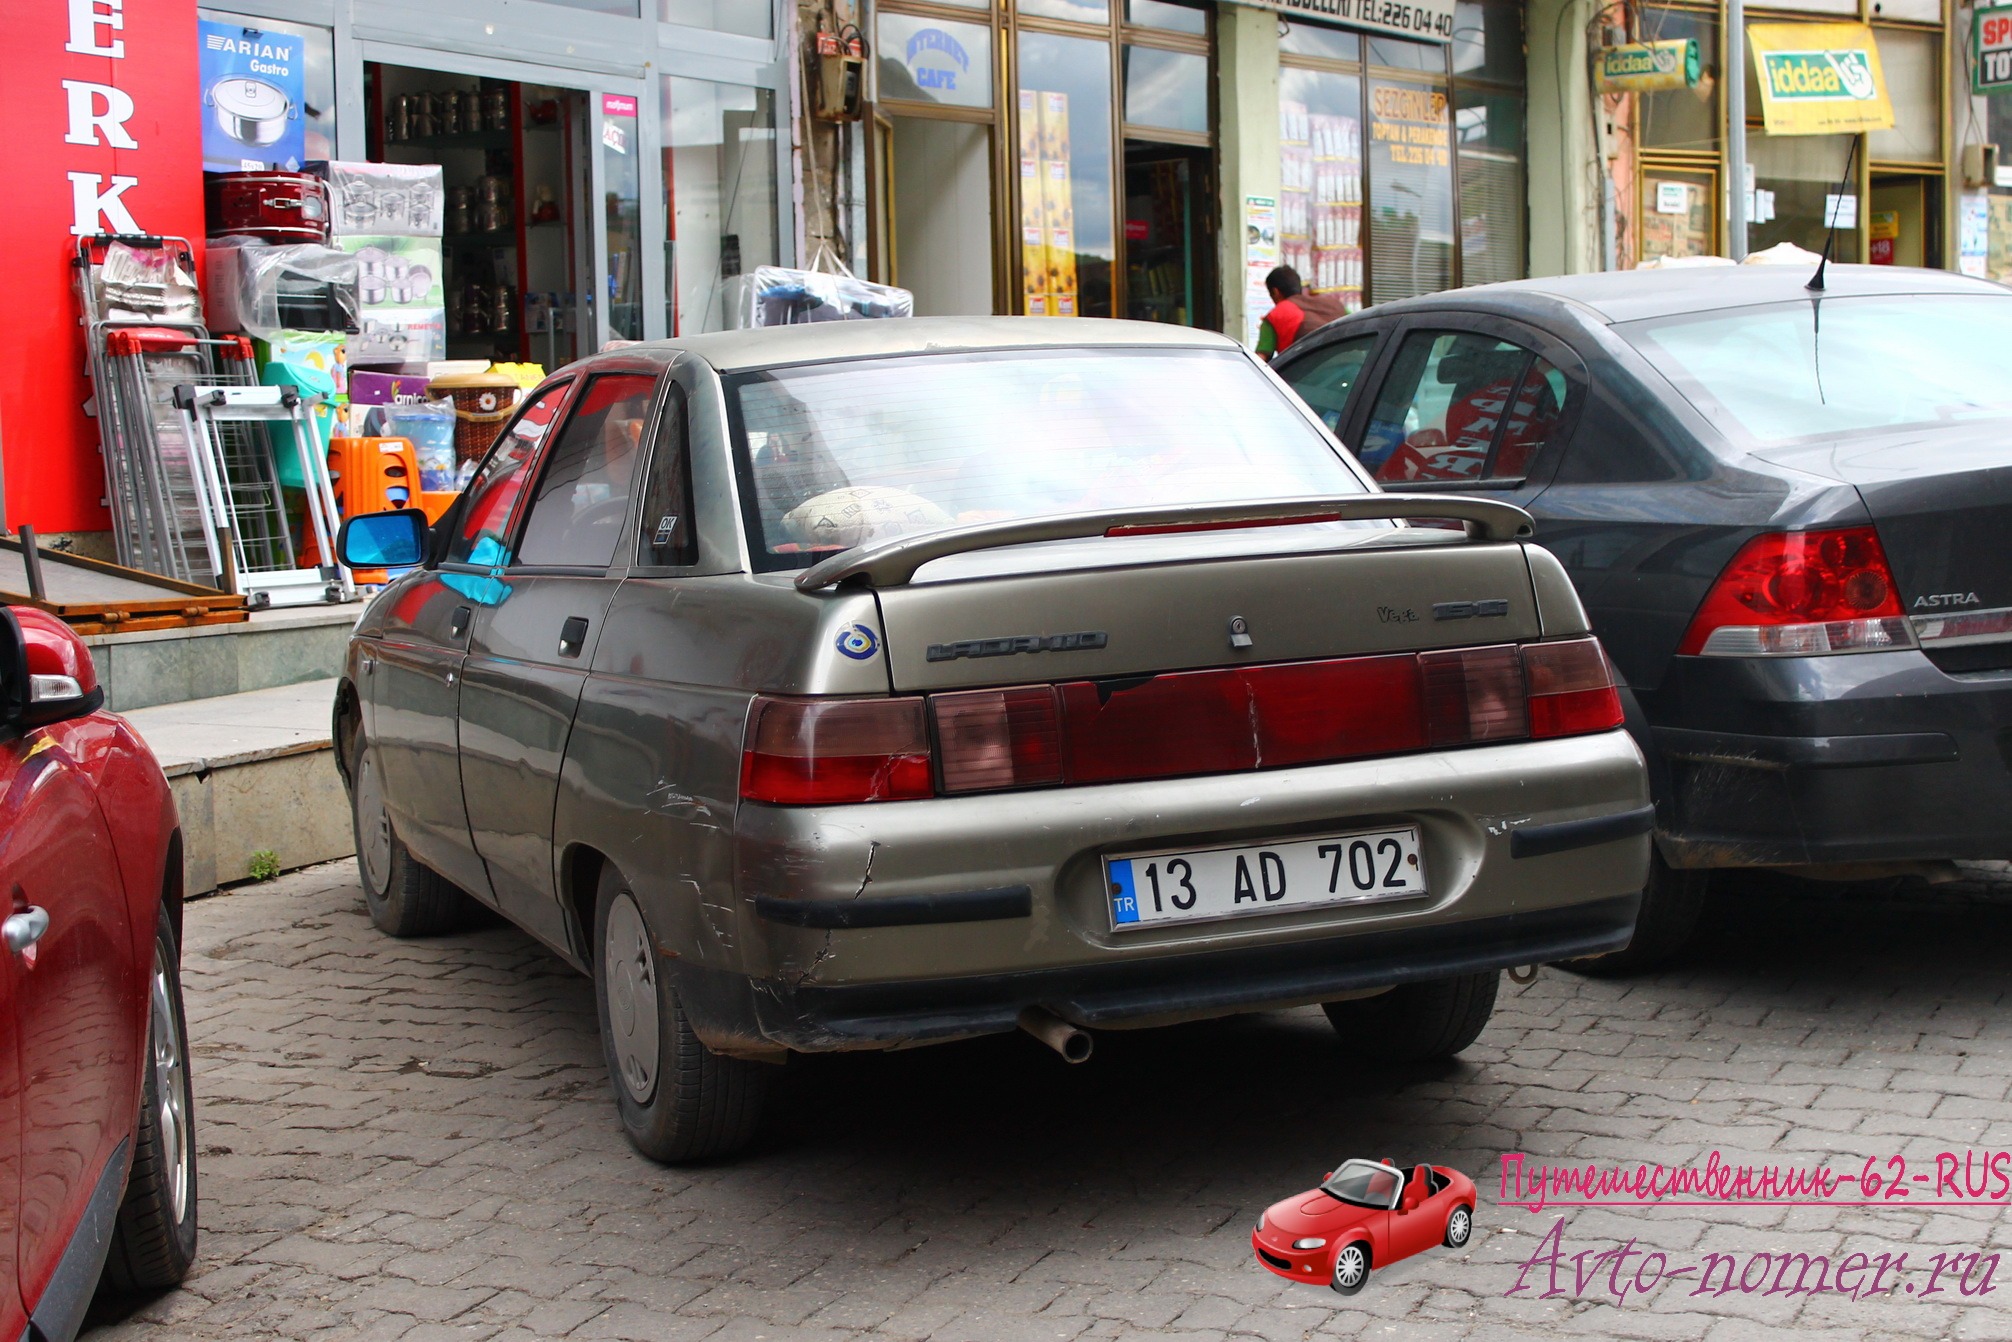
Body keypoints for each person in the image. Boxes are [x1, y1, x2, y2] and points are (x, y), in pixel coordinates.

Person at [1255, 266, 1348, 362]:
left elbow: (1261, 359)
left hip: (1307, 372)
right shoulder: (1336, 304)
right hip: (1354, 369)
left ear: (1276, 292)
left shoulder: (1275, 315)